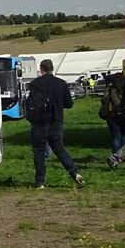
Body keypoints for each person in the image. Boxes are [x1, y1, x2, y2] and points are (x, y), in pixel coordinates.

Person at [26, 58, 84, 189]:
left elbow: (30, 103)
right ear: (52, 69)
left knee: (39, 151)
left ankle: (40, 181)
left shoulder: (35, 84)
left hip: (39, 122)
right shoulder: (61, 83)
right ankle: (74, 173)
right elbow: (69, 104)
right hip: (56, 121)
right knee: (59, 149)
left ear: (41, 69)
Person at [99, 68, 125, 155]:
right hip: (123, 113)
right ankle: (124, 154)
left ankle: (116, 155)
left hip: (111, 114)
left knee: (115, 136)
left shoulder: (109, 89)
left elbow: (103, 100)